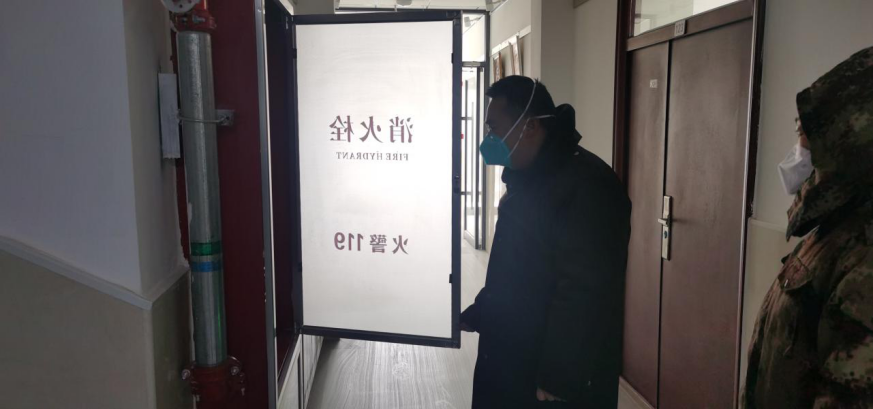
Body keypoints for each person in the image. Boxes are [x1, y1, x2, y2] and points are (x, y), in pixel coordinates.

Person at [460, 76, 631, 408]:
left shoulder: (589, 186)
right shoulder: (527, 177)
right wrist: (483, 311)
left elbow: (585, 291)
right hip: (514, 355)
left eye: (494, 128)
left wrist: (559, 372)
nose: (488, 138)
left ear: (530, 126)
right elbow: (518, 268)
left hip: (552, 377)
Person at [743, 46, 873, 408]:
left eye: (807, 133)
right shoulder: (835, 227)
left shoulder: (863, 251)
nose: (799, 147)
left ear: (847, 141)